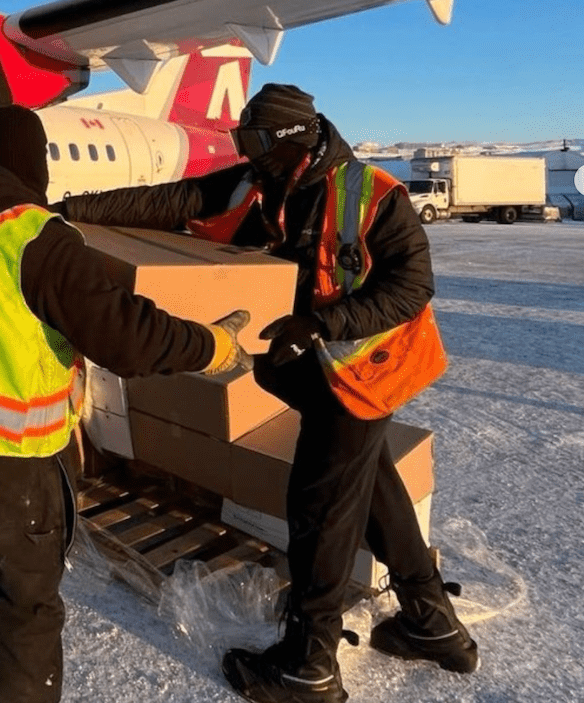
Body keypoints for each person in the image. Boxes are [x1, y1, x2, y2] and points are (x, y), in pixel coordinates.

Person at [54, 84, 478, 703]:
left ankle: (309, 667)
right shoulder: (264, 178)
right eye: (241, 140)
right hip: (320, 369)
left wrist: (322, 324)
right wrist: (68, 209)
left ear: (293, 139)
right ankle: (433, 623)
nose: (246, 154)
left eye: (254, 141)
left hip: (367, 369)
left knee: (320, 510)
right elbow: (174, 199)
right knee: (372, 484)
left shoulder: (374, 196)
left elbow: (413, 287)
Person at [0, 105, 251, 703]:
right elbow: (126, 337)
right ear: (35, 165)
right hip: (8, 466)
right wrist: (212, 346)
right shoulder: (34, 238)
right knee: (20, 612)